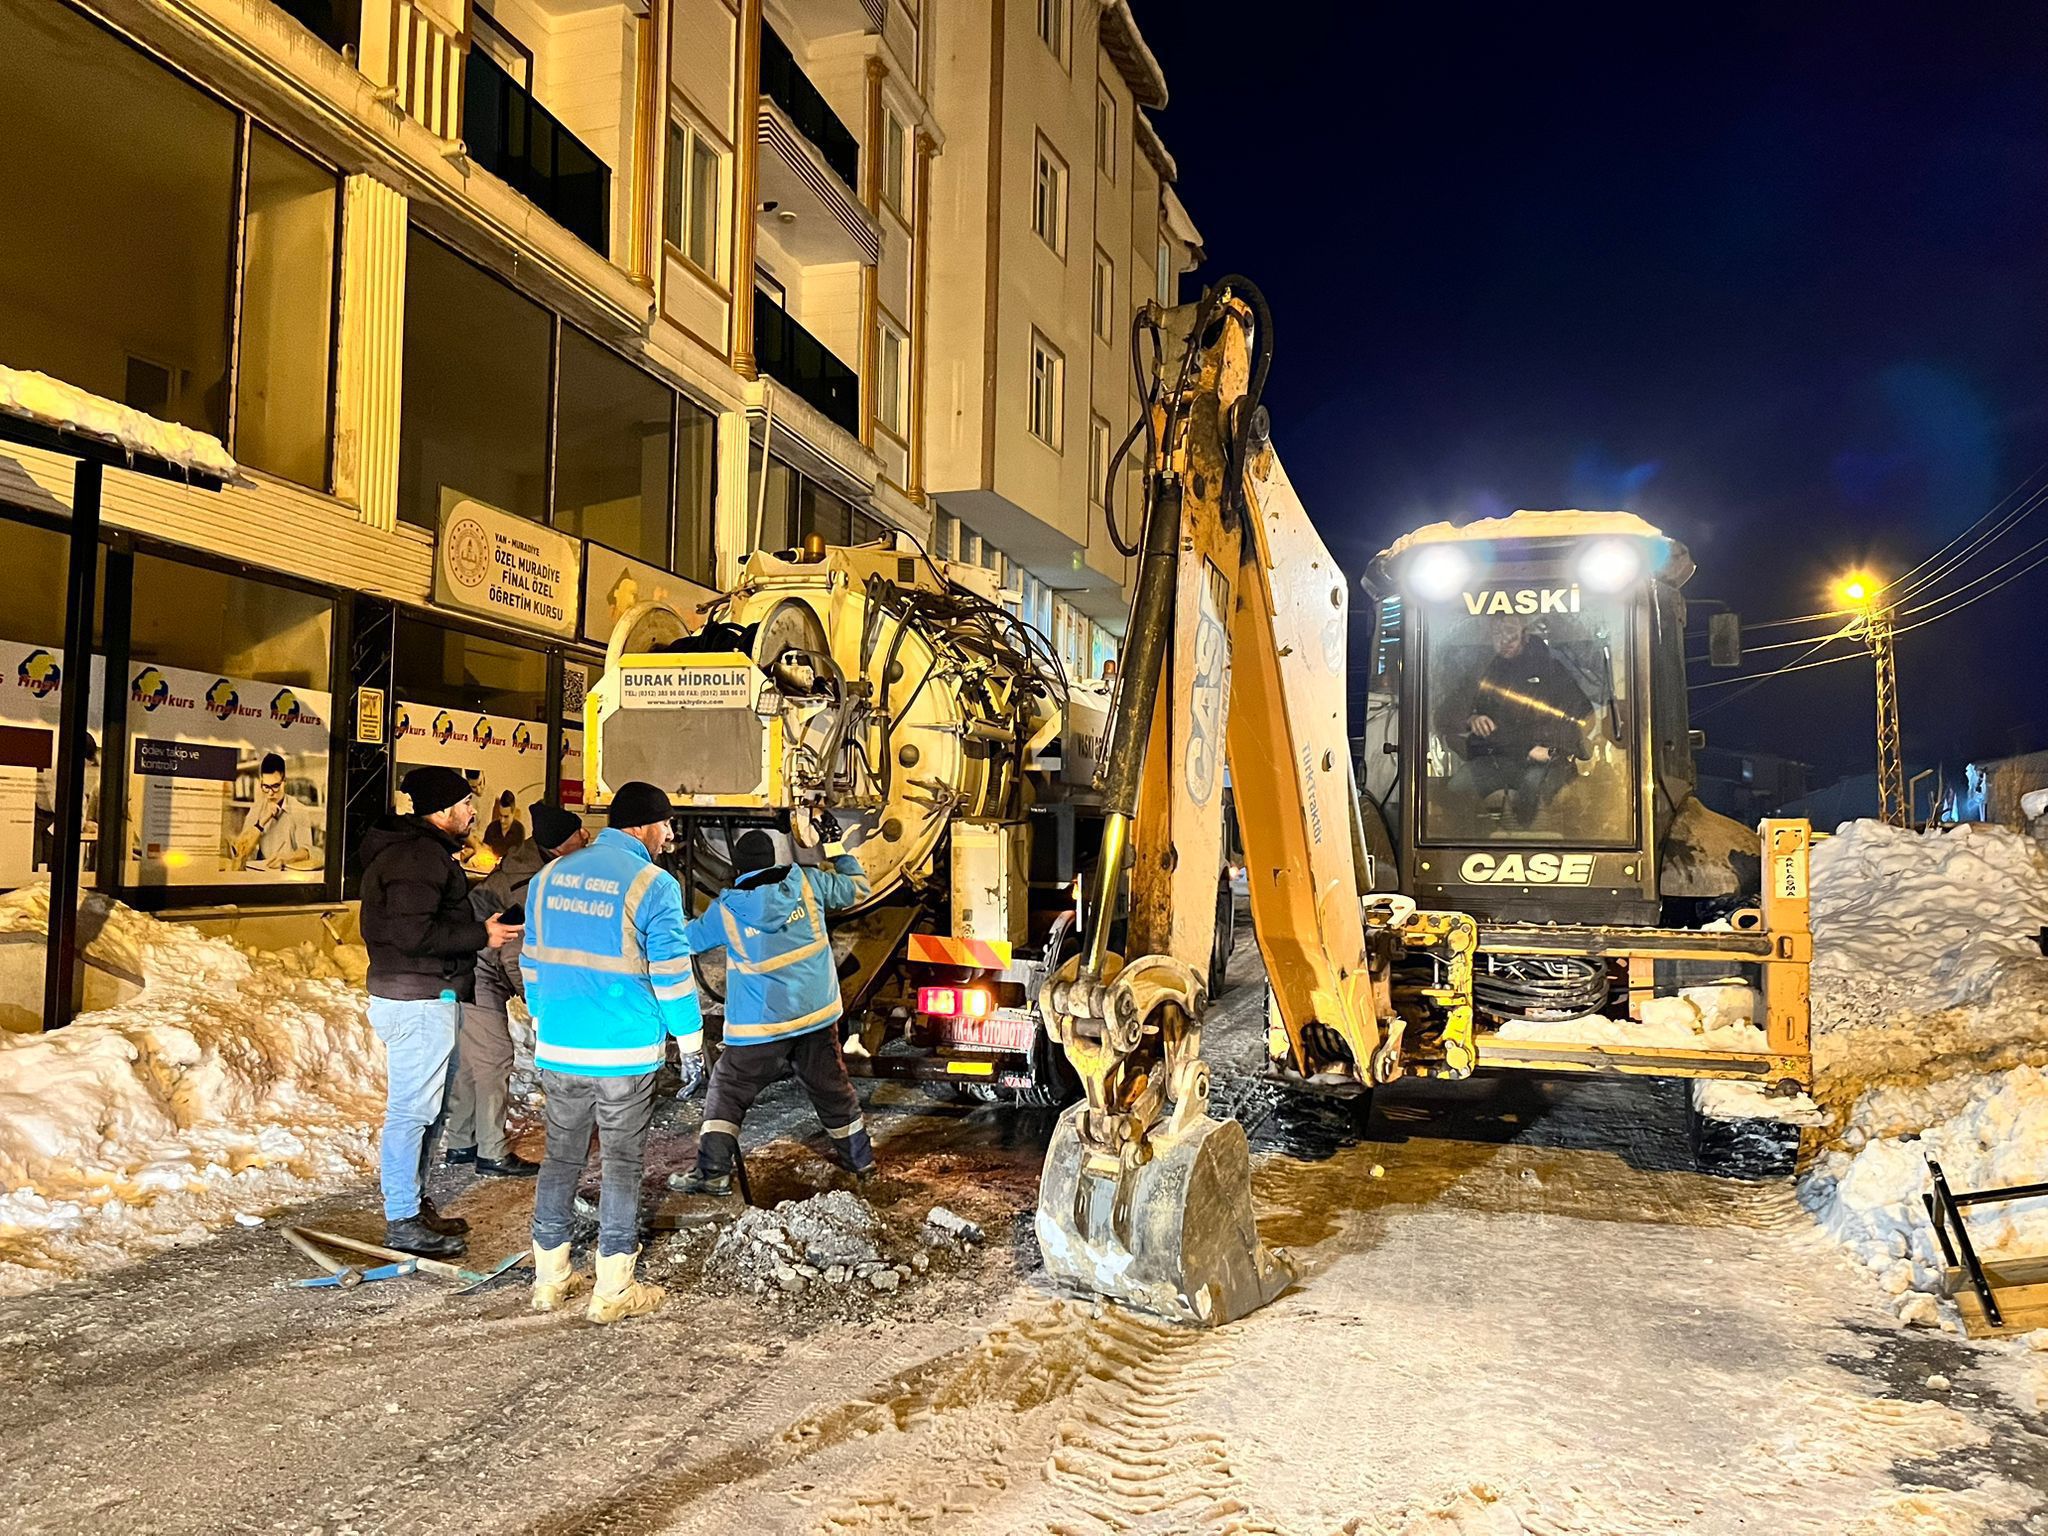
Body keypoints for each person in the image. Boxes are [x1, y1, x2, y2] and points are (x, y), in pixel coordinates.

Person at [521, 781, 703, 1323]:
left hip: (560, 1047)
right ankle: (614, 1288)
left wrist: (542, 1019)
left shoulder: (548, 876)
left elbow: (531, 960)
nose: (671, 833)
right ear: (642, 825)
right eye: (666, 823)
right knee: (622, 1164)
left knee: (561, 1158)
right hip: (623, 1053)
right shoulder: (654, 884)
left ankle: (550, 1280)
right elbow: (671, 972)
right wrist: (690, 1042)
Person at [358, 765, 520, 1258]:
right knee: (410, 1113)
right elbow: (413, 936)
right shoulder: (416, 858)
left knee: (427, 1114)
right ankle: (402, 1218)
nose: (474, 812)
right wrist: (481, 936)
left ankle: (413, 1204)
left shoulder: (421, 855)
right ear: (445, 810)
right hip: (417, 999)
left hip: (427, 996)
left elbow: (421, 924)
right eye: (467, 804)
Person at [671, 812, 873, 1198]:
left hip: (759, 1029)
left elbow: (686, 942)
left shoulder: (728, 910)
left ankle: (713, 1172)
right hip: (815, 1019)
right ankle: (860, 1162)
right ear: (775, 860)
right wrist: (836, 847)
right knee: (833, 1092)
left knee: (728, 1091)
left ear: (738, 868)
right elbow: (856, 888)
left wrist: (667, 909)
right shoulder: (808, 886)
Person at [445, 801, 591, 1178]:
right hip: (477, 967)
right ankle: (491, 1152)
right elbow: (515, 953)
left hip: (474, 962)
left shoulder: (539, 863)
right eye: (578, 832)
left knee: (474, 1060)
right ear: (559, 845)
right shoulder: (530, 886)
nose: (587, 836)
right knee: (493, 1057)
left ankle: (462, 1143)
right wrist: (538, 1003)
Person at [1462, 615, 1592, 827]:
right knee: (1456, 788)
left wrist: (1554, 750)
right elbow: (1447, 713)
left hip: (1546, 761)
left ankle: (1530, 841)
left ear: (1526, 636)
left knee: (1532, 786)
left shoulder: (1552, 671)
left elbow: (1582, 716)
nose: (1504, 640)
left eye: (1510, 633)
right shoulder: (1485, 673)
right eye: (1497, 634)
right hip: (1498, 757)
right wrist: (1472, 717)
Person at [229, 753, 321, 871]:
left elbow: (307, 851)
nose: (270, 793)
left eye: (275, 786)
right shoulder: (257, 808)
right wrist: (262, 822)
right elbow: (240, 851)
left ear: (284, 782)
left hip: (288, 875)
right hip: (260, 874)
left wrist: (287, 858)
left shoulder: (299, 809)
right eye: (266, 786)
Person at [482, 790, 526, 861]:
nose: (502, 821)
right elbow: (483, 850)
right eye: (500, 815)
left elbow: (518, 858)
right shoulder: (492, 827)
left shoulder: (519, 830)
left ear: (513, 813)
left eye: (506, 817)